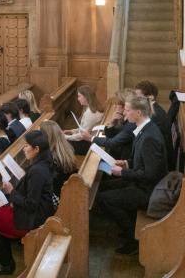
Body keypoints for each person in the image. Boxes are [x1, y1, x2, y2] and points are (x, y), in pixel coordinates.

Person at [94, 95, 167, 255]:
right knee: (101, 188)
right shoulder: (144, 129)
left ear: (139, 113)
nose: (124, 114)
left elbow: (150, 174)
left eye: (127, 110)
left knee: (104, 199)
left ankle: (132, 238)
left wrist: (123, 172)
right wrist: (126, 163)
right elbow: (141, 162)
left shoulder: (149, 137)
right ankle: (128, 226)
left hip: (148, 190)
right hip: (139, 181)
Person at [0, 131, 56, 275]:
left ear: (36, 149)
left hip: (33, 218)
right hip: (36, 211)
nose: (24, 149)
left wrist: (12, 192)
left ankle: (6, 264)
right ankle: (4, 257)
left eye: (27, 146)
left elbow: (31, 204)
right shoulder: (43, 163)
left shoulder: (37, 170)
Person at [79, 89, 136, 161]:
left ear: (125, 105)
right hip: (116, 155)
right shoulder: (124, 119)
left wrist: (91, 138)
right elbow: (109, 135)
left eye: (116, 104)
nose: (114, 107)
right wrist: (112, 123)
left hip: (121, 160)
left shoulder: (131, 124)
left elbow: (112, 142)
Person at [41, 120, 78, 196]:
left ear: (46, 138)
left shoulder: (51, 159)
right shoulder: (66, 149)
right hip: (69, 189)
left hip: (60, 197)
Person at [65, 85, 104, 155]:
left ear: (86, 97)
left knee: (59, 143)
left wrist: (65, 137)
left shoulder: (91, 113)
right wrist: (71, 131)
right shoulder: (91, 108)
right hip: (88, 140)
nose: (78, 99)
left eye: (79, 96)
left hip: (88, 145)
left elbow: (82, 136)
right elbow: (83, 128)